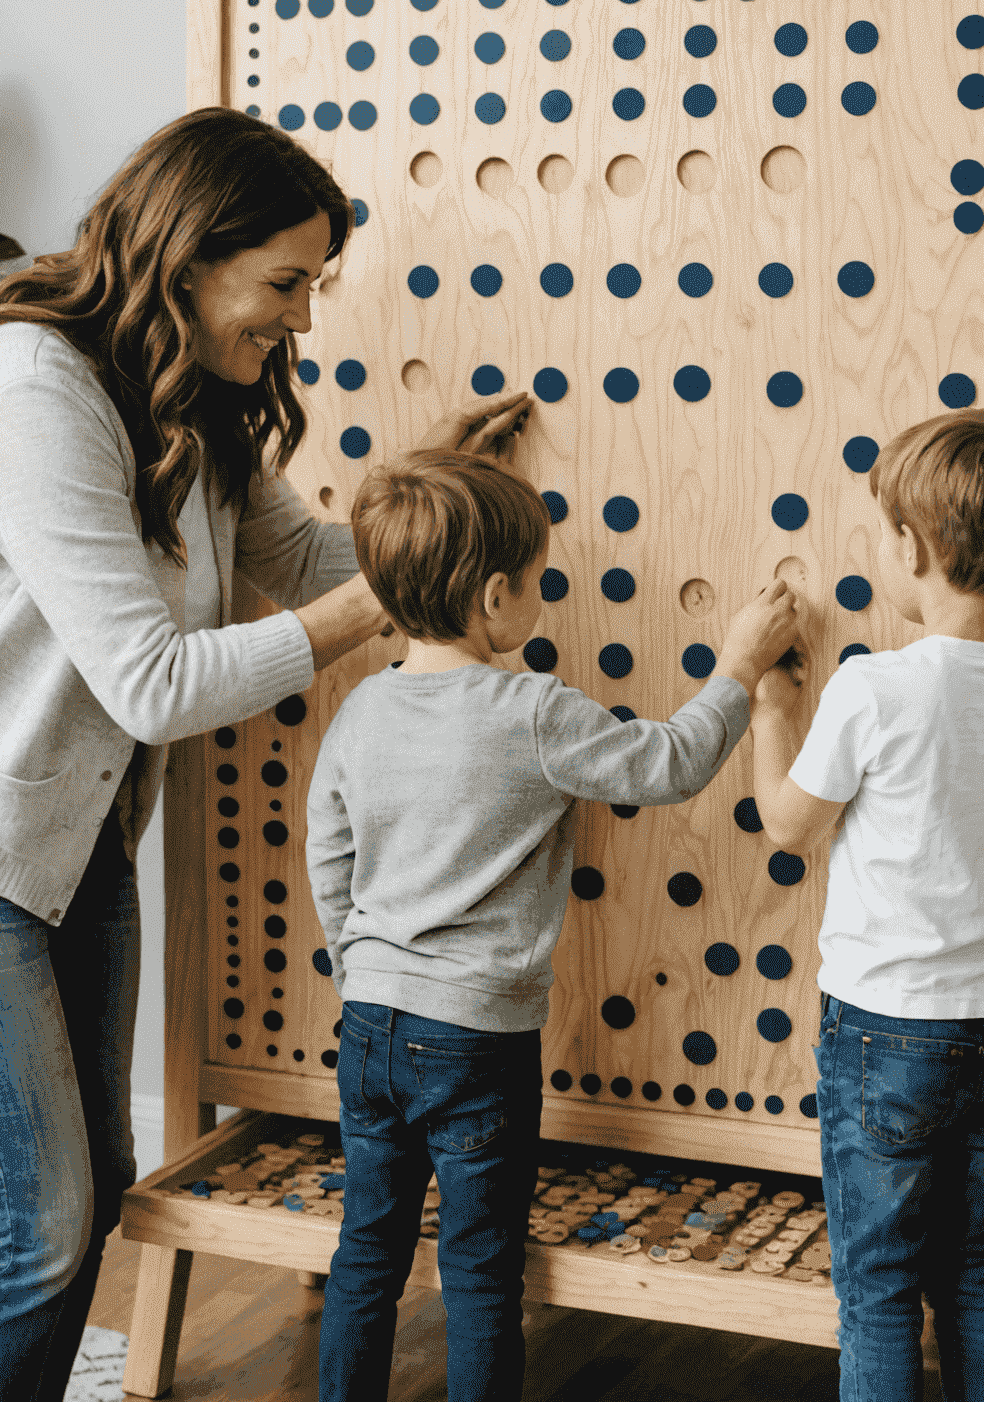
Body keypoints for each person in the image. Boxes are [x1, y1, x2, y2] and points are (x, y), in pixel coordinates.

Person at [0, 108, 530, 1402]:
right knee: (35, 1227)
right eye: (285, 283)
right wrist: (384, 604)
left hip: (63, 831)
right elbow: (150, 682)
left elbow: (300, 561)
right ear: (191, 259)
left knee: (92, 1192)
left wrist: (445, 518)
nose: (303, 319)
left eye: (314, 285)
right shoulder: (30, 391)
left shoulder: (196, 394)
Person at [304, 448, 803, 1402]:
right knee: (482, 1269)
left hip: (369, 1023)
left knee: (366, 1252)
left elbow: (328, 854)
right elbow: (666, 766)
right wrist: (738, 667)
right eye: (539, 582)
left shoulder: (361, 710)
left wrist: (360, 966)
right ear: (496, 597)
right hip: (478, 1039)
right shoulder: (532, 709)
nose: (542, 597)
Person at [747, 409, 984, 1402]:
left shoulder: (872, 687)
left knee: (879, 1289)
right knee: (973, 1268)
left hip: (884, 1031)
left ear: (911, 546)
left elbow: (786, 824)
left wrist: (773, 710)